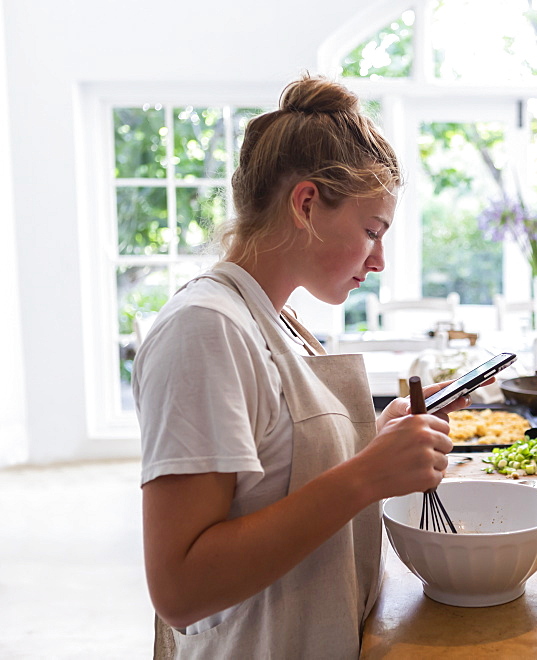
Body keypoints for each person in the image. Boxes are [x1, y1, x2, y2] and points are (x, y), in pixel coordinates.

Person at [133, 74, 467, 659]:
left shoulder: (277, 318)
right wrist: (367, 476)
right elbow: (180, 587)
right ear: (307, 203)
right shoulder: (204, 329)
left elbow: (278, 480)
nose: (380, 260)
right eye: (372, 231)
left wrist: (376, 443)